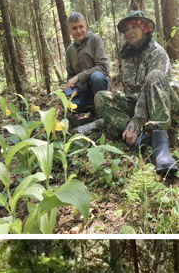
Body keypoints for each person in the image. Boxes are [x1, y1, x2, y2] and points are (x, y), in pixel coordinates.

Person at [94, 10, 179, 176]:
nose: (129, 32)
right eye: (126, 29)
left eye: (134, 27)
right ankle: (138, 138)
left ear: (144, 28)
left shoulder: (156, 51)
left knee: (155, 75)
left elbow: (148, 90)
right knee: (101, 97)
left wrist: (136, 122)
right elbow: (129, 92)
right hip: (137, 107)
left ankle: (161, 146)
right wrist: (132, 121)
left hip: (162, 105)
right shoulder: (124, 54)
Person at [63, 12, 109, 116]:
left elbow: (102, 67)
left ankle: (104, 107)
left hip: (99, 84)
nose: (79, 31)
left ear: (86, 27)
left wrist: (78, 77)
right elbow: (71, 76)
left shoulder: (95, 40)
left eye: (81, 27)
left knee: (96, 77)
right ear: (69, 31)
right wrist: (69, 91)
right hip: (82, 89)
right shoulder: (69, 51)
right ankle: (92, 106)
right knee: (69, 106)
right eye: (74, 28)